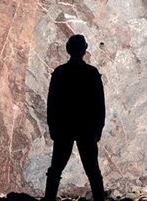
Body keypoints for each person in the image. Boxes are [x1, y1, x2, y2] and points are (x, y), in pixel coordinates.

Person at [43, 34, 106, 201]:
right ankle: (100, 199)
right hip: (86, 128)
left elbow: (52, 103)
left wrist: (53, 127)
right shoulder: (91, 73)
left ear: (68, 50)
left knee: (56, 169)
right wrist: (98, 128)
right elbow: (99, 104)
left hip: (65, 127)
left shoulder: (60, 73)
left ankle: (49, 198)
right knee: (93, 170)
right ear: (85, 50)